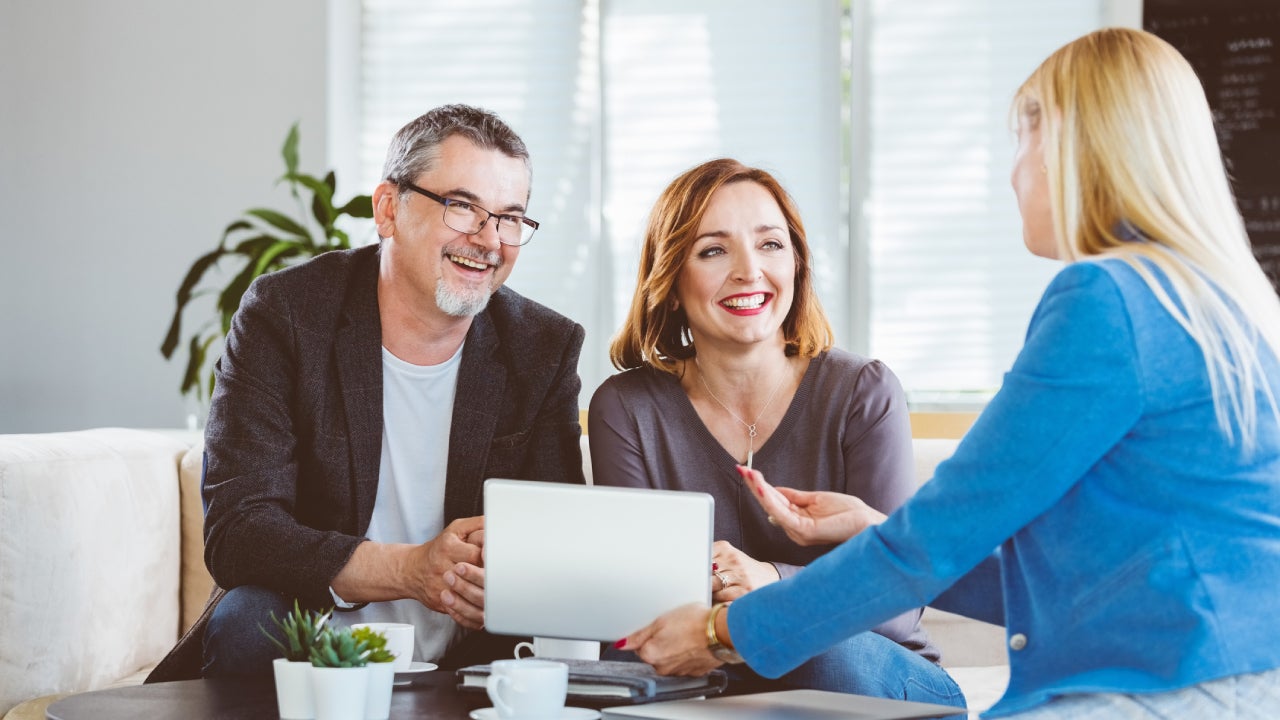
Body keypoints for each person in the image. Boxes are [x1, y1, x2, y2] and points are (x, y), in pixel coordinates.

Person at [616, 28, 1280, 719]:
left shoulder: (1106, 301)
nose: (1014, 172)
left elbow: (942, 534)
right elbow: (1070, 585)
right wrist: (870, 527)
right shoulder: (1214, 302)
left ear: (1069, 149)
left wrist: (723, 633)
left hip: (1175, 692)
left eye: (1021, 142)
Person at [148, 104, 586, 681]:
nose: (489, 240)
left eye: (510, 218)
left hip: (471, 650)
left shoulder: (542, 346)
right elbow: (239, 532)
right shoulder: (287, 314)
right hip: (311, 641)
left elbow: (556, 534)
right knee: (250, 618)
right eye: (462, 207)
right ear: (387, 209)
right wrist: (412, 569)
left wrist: (507, 573)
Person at [589, 158, 965, 709]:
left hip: (872, 675)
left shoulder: (863, 391)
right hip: (712, 675)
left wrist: (769, 581)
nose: (749, 271)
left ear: (796, 265)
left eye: (770, 245)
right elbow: (644, 609)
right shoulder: (626, 409)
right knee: (622, 661)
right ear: (670, 282)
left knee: (818, 650)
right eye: (713, 250)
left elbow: (895, 607)